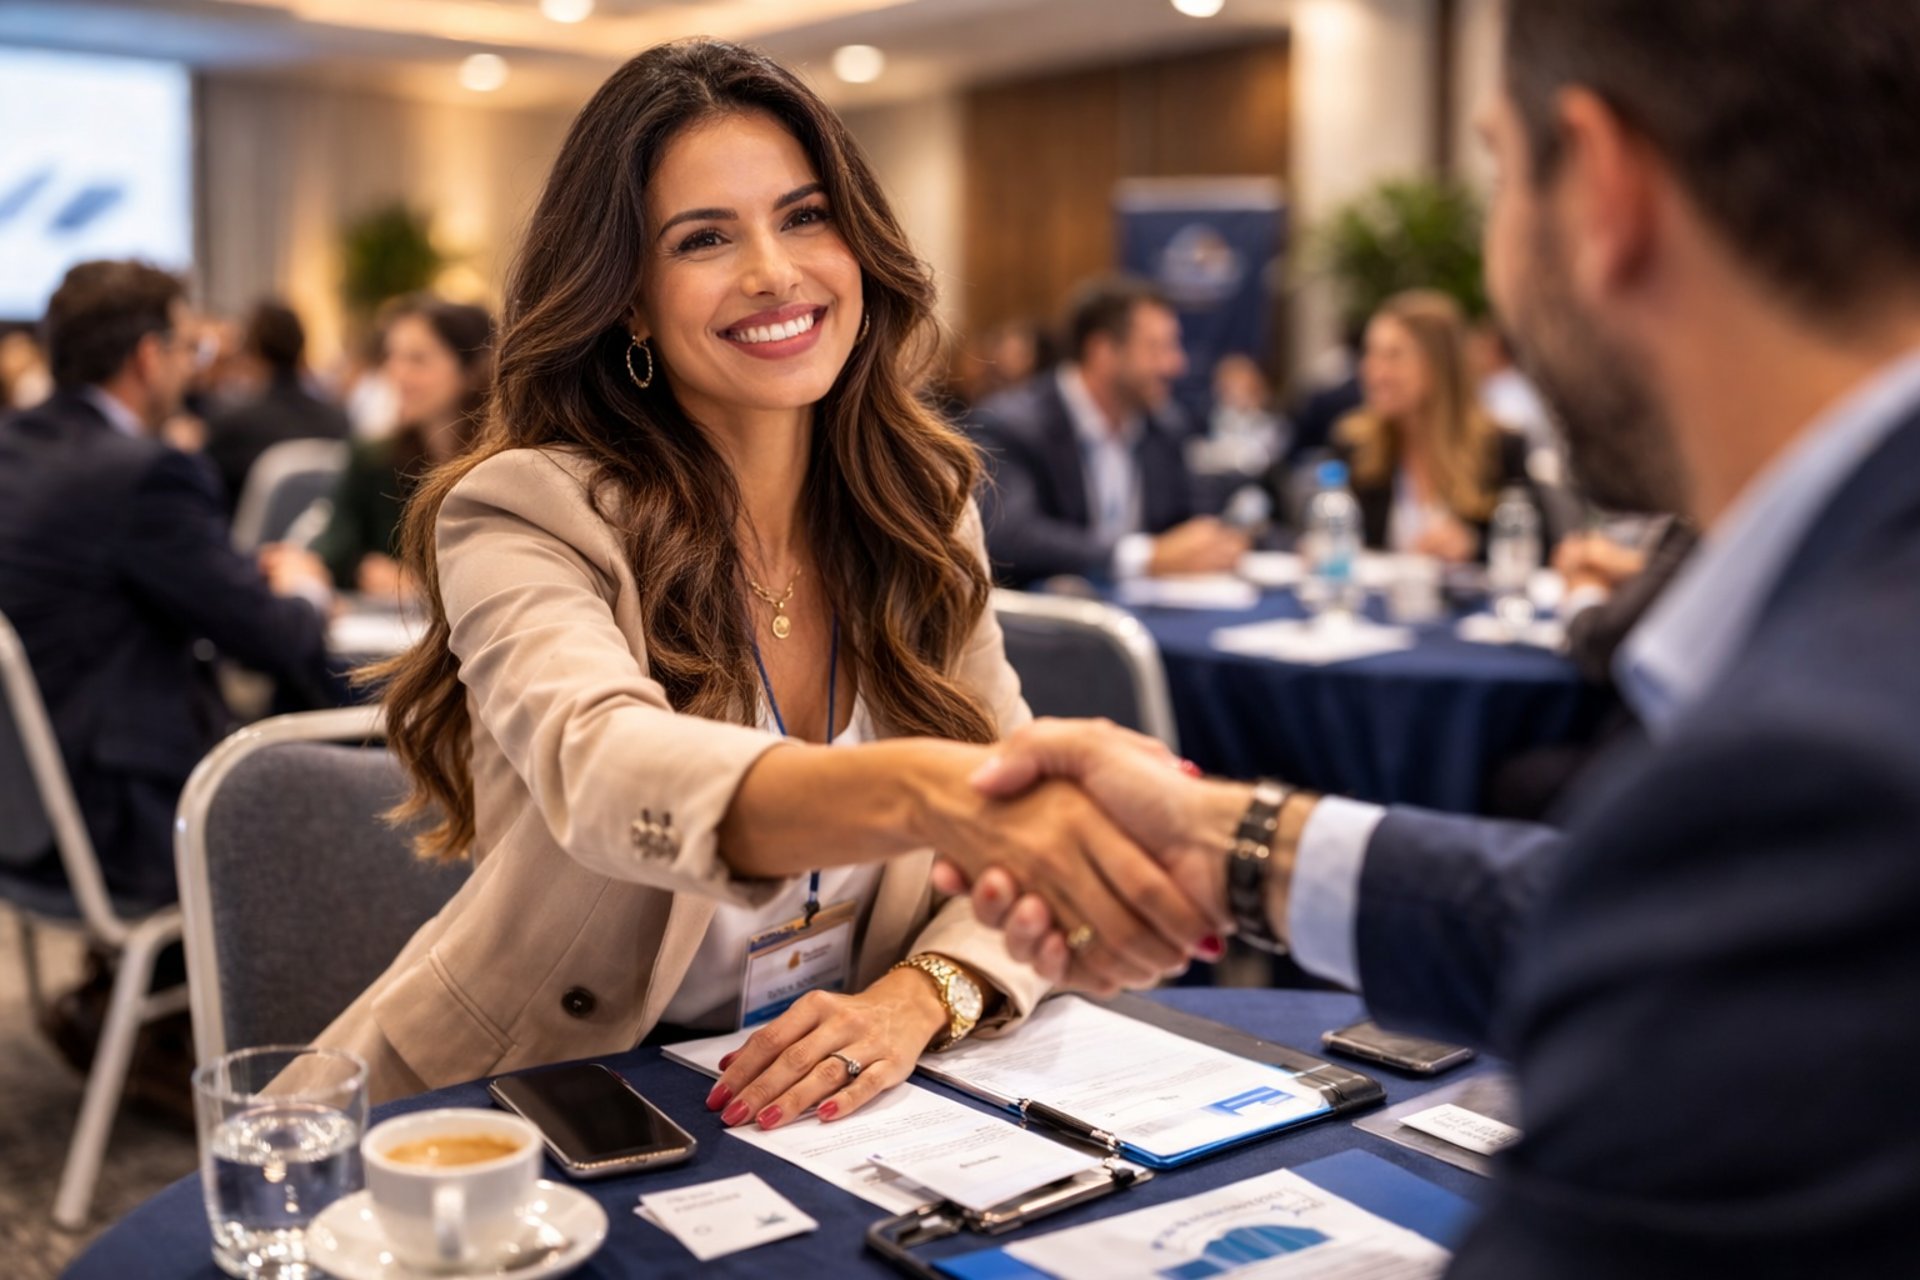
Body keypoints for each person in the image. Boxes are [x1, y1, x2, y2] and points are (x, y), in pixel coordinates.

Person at [949, 0, 1920, 1272]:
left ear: (1607, 188)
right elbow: (1639, 918)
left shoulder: (1822, 761)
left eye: (1503, 170)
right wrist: (1231, 840)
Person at [311, 40, 1215, 1114]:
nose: (775, 272)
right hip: (521, 1102)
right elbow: (608, 769)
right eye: (704, 238)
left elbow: (1012, 880)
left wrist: (918, 993)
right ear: (629, 303)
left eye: (804, 216)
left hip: (821, 1112)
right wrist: (949, 795)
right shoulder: (528, 508)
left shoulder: (922, 510)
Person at [0, 260, 336, 908]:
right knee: (363, 798)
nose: (194, 368)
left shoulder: (15, 446)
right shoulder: (144, 473)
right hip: (126, 827)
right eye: (191, 349)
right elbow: (267, 637)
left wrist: (230, 569)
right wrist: (305, 592)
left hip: (24, 816)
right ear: (149, 358)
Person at [968, 275, 1249, 586]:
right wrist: (1143, 557)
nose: (1176, 365)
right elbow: (1010, 537)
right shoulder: (1013, 425)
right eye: (1158, 348)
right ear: (1102, 351)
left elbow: (1188, 517)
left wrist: (1221, 540)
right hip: (1056, 622)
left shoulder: (1164, 428)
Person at [309, 297, 493, 601]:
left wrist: (425, 586)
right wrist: (362, 568)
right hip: (383, 629)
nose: (397, 373)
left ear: (470, 370)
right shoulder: (374, 458)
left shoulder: (498, 469)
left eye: (417, 360)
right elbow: (331, 549)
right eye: (392, 357)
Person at [1330, 289, 1533, 561]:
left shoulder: (1499, 448)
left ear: (1439, 365)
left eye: (1393, 356)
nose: (1374, 370)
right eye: (1370, 353)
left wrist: (1472, 545)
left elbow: (1541, 546)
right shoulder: (1355, 445)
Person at [202, 300, 351, 515]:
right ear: (301, 346)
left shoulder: (231, 427)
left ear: (254, 352)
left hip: (251, 547)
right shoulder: (339, 421)